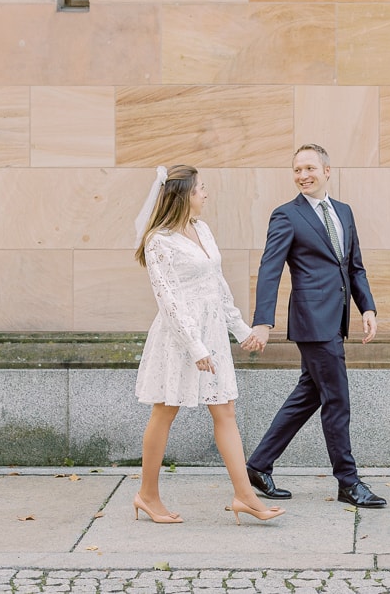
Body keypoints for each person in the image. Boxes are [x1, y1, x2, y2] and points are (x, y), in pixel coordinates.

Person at [132, 164, 286, 525]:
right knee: (165, 410)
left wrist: (239, 328)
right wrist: (195, 347)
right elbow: (168, 300)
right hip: (179, 338)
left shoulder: (202, 229)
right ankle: (147, 495)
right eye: (201, 188)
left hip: (212, 331)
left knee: (225, 410)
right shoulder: (159, 241)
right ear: (184, 194)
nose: (206, 193)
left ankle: (244, 496)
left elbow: (218, 286)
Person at [240, 144, 387, 509]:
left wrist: (366, 306)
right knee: (337, 400)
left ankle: (258, 466)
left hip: (336, 320)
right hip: (311, 321)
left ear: (327, 170)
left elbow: (354, 266)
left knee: (309, 395)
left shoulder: (343, 212)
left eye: (309, 168)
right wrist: (262, 321)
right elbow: (270, 269)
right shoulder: (286, 215)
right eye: (296, 170)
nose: (302, 175)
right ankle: (348, 483)